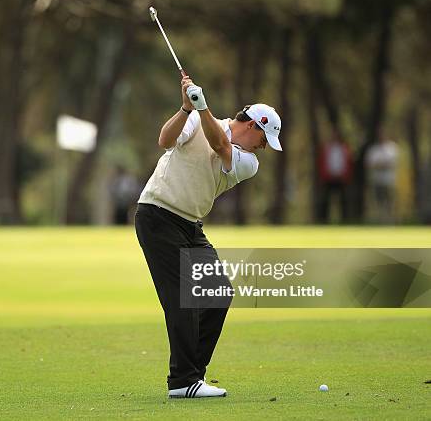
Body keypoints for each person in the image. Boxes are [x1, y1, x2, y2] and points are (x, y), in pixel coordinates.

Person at [134, 77, 282, 398]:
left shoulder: (249, 163)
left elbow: (220, 146)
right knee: (183, 299)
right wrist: (187, 108)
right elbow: (164, 139)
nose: (264, 147)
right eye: (264, 138)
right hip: (158, 214)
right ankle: (183, 381)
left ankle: (191, 377)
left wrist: (201, 109)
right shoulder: (198, 119)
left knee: (217, 294)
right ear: (254, 126)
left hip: (189, 224)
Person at [317, 131, 353, 223]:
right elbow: (322, 163)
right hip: (329, 178)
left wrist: (345, 176)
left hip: (341, 178)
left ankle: (345, 220)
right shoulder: (327, 148)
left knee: (343, 201)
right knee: (326, 200)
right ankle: (323, 220)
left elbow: (348, 163)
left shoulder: (344, 148)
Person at [365, 133, 398, 223]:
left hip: (389, 181)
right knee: (378, 202)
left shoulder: (392, 148)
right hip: (377, 180)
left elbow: (392, 164)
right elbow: (370, 164)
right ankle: (379, 221)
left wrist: (380, 164)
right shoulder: (373, 149)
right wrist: (382, 164)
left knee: (389, 202)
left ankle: (390, 221)